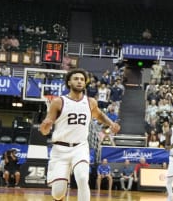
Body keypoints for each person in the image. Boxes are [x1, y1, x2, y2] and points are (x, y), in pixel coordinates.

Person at [39, 69, 121, 201]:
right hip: (60, 149)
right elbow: (45, 131)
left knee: (83, 178)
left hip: (80, 147)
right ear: (69, 82)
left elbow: (99, 115)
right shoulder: (58, 102)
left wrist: (111, 124)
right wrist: (44, 128)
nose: (79, 81)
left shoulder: (90, 102)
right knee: (59, 192)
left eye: (82, 79)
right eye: (76, 78)